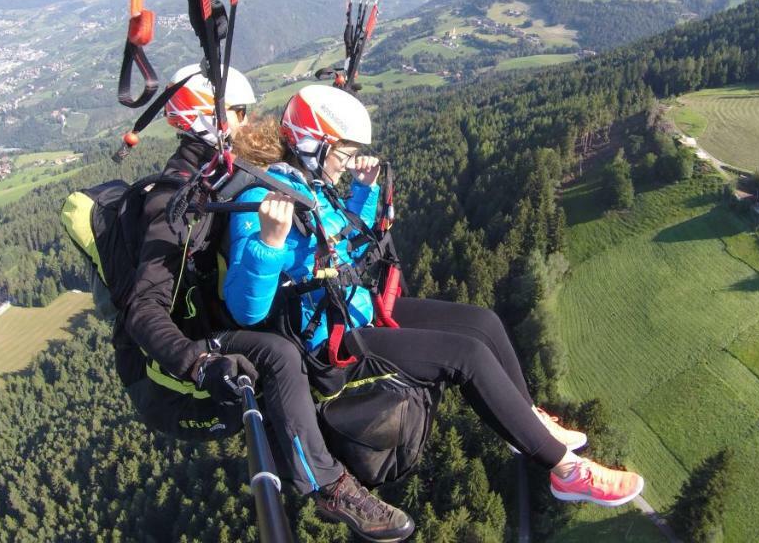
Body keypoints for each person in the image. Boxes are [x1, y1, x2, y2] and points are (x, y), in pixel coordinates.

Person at [223, 84, 648, 519]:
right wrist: (269, 243)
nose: (348, 163)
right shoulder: (262, 197)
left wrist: (365, 192)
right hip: (333, 342)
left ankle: (524, 417)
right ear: (313, 143)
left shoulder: (310, 184)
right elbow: (245, 308)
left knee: (482, 322)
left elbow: (343, 246)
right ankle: (565, 470)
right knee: (466, 356)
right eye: (343, 154)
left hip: (356, 309)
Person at [116, 65, 416, 542]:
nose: (249, 120)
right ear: (204, 117)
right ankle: (326, 483)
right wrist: (197, 363)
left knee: (290, 328)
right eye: (238, 111)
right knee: (278, 354)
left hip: (220, 314)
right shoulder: (172, 199)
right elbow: (142, 311)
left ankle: (325, 428)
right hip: (186, 351)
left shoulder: (221, 169)